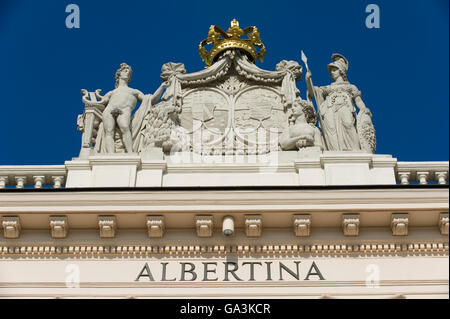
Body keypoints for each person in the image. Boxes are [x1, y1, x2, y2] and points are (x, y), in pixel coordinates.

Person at [305, 54, 373, 152]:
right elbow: (313, 93)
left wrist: (364, 109)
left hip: (345, 107)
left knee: (348, 124)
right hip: (330, 110)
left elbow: (358, 100)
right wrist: (308, 80)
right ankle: (335, 151)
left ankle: (355, 149)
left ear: (341, 71)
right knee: (332, 130)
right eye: (331, 71)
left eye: (334, 70)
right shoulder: (328, 88)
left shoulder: (351, 87)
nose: (332, 73)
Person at [99, 63, 168, 153]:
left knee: (124, 127)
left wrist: (162, 87)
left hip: (124, 110)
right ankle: (110, 155)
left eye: (129, 72)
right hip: (109, 110)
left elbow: (150, 100)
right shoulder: (111, 92)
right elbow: (100, 103)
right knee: (109, 132)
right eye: (125, 71)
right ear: (119, 74)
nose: (127, 73)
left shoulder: (134, 92)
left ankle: (130, 152)